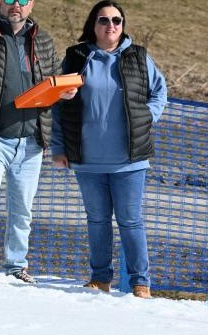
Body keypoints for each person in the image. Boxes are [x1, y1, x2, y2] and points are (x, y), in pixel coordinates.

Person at [0, 0, 75, 283]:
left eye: (22, 0)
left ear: (31, 5)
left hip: (31, 141)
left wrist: (64, 92)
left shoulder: (42, 40)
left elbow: (53, 81)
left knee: (23, 208)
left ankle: (17, 264)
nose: (15, 5)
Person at [51, 1, 167, 297]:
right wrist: (59, 147)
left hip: (129, 160)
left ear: (123, 25)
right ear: (94, 24)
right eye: (104, 20)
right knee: (98, 220)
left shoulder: (138, 56)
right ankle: (100, 278)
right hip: (87, 159)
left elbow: (159, 91)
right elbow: (59, 106)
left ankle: (141, 282)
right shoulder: (76, 57)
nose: (110, 25)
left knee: (130, 220)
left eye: (117, 20)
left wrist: (147, 117)